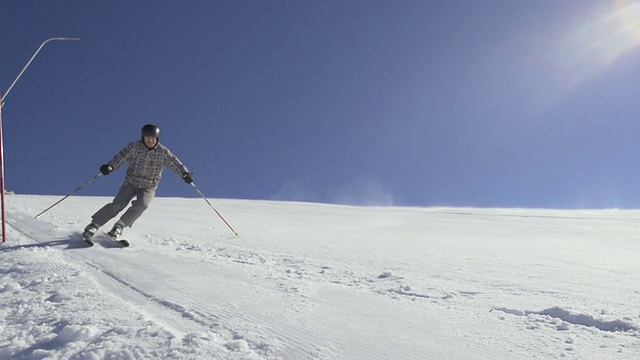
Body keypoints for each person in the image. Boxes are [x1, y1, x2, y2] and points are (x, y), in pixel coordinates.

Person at [82, 124, 193, 240]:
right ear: (143, 138)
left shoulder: (163, 152)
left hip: (149, 185)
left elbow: (175, 163)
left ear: (157, 139)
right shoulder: (135, 147)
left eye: (153, 138)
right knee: (118, 204)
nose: (150, 140)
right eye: (148, 137)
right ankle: (94, 225)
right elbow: (121, 157)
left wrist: (185, 173)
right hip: (131, 181)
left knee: (143, 204)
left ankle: (119, 226)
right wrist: (110, 166)